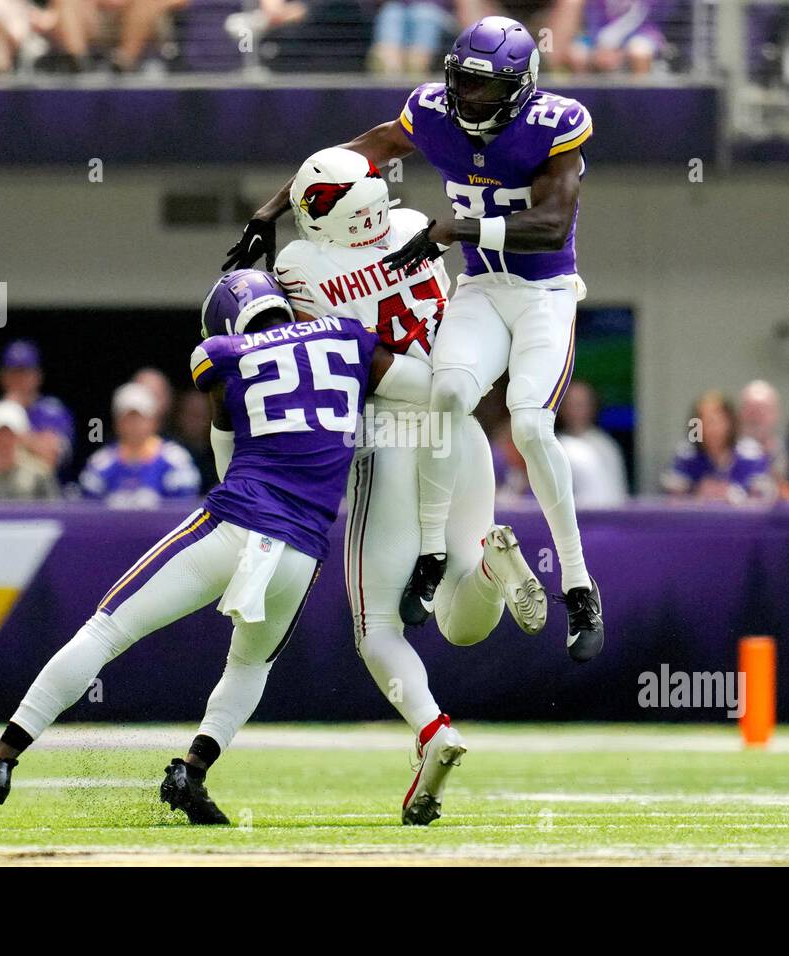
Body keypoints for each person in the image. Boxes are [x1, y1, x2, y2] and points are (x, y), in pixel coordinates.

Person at [0, 270, 434, 825]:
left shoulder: (221, 354)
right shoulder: (347, 338)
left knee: (106, 629)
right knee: (248, 666)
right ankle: (192, 771)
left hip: (235, 522)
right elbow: (429, 385)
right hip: (302, 549)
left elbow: (223, 442)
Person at [226, 15, 604, 662]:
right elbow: (346, 161)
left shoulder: (554, 123)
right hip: (483, 289)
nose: (468, 99)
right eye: (463, 82)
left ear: (520, 88)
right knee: (448, 394)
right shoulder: (432, 112)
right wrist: (269, 211)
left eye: (486, 89)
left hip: (543, 293)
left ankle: (578, 583)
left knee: (532, 425)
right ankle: (433, 554)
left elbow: (548, 225)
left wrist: (455, 231)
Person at [274, 147, 549, 823]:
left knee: (377, 629)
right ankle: (491, 566)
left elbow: (357, 359)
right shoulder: (416, 227)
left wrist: (274, 209)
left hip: (395, 438)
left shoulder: (300, 266)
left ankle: (432, 729)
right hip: (459, 429)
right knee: (460, 623)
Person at [0, 340, 75, 482]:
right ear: (2, 377)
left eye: (25, 372)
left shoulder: (53, 411)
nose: (19, 379)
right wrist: (33, 447)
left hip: (47, 497)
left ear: (37, 376)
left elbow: (50, 460)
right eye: (13, 373)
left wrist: (15, 437)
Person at [79, 383, 201, 508]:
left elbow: (184, 511)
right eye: (128, 418)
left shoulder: (176, 461)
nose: (134, 425)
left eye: (140, 418)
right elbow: (89, 512)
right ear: (117, 422)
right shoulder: (100, 464)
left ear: (154, 421)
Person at [662, 390, 771, 503]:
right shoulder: (686, 456)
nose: (712, 429)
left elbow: (762, 500)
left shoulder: (750, 455)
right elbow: (673, 499)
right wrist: (696, 494)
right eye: (704, 422)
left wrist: (735, 495)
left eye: (717, 421)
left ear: (731, 423)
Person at [0, 400, 62, 503]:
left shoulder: (39, 474)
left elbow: (54, 512)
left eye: (11, 434)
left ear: (21, 436)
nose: (5, 439)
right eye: (0, 433)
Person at [556, 379, 627, 507]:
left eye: (581, 404)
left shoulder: (606, 445)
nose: (575, 410)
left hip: (602, 519)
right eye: (570, 404)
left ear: (593, 407)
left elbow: (617, 494)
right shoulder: (552, 445)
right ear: (561, 408)